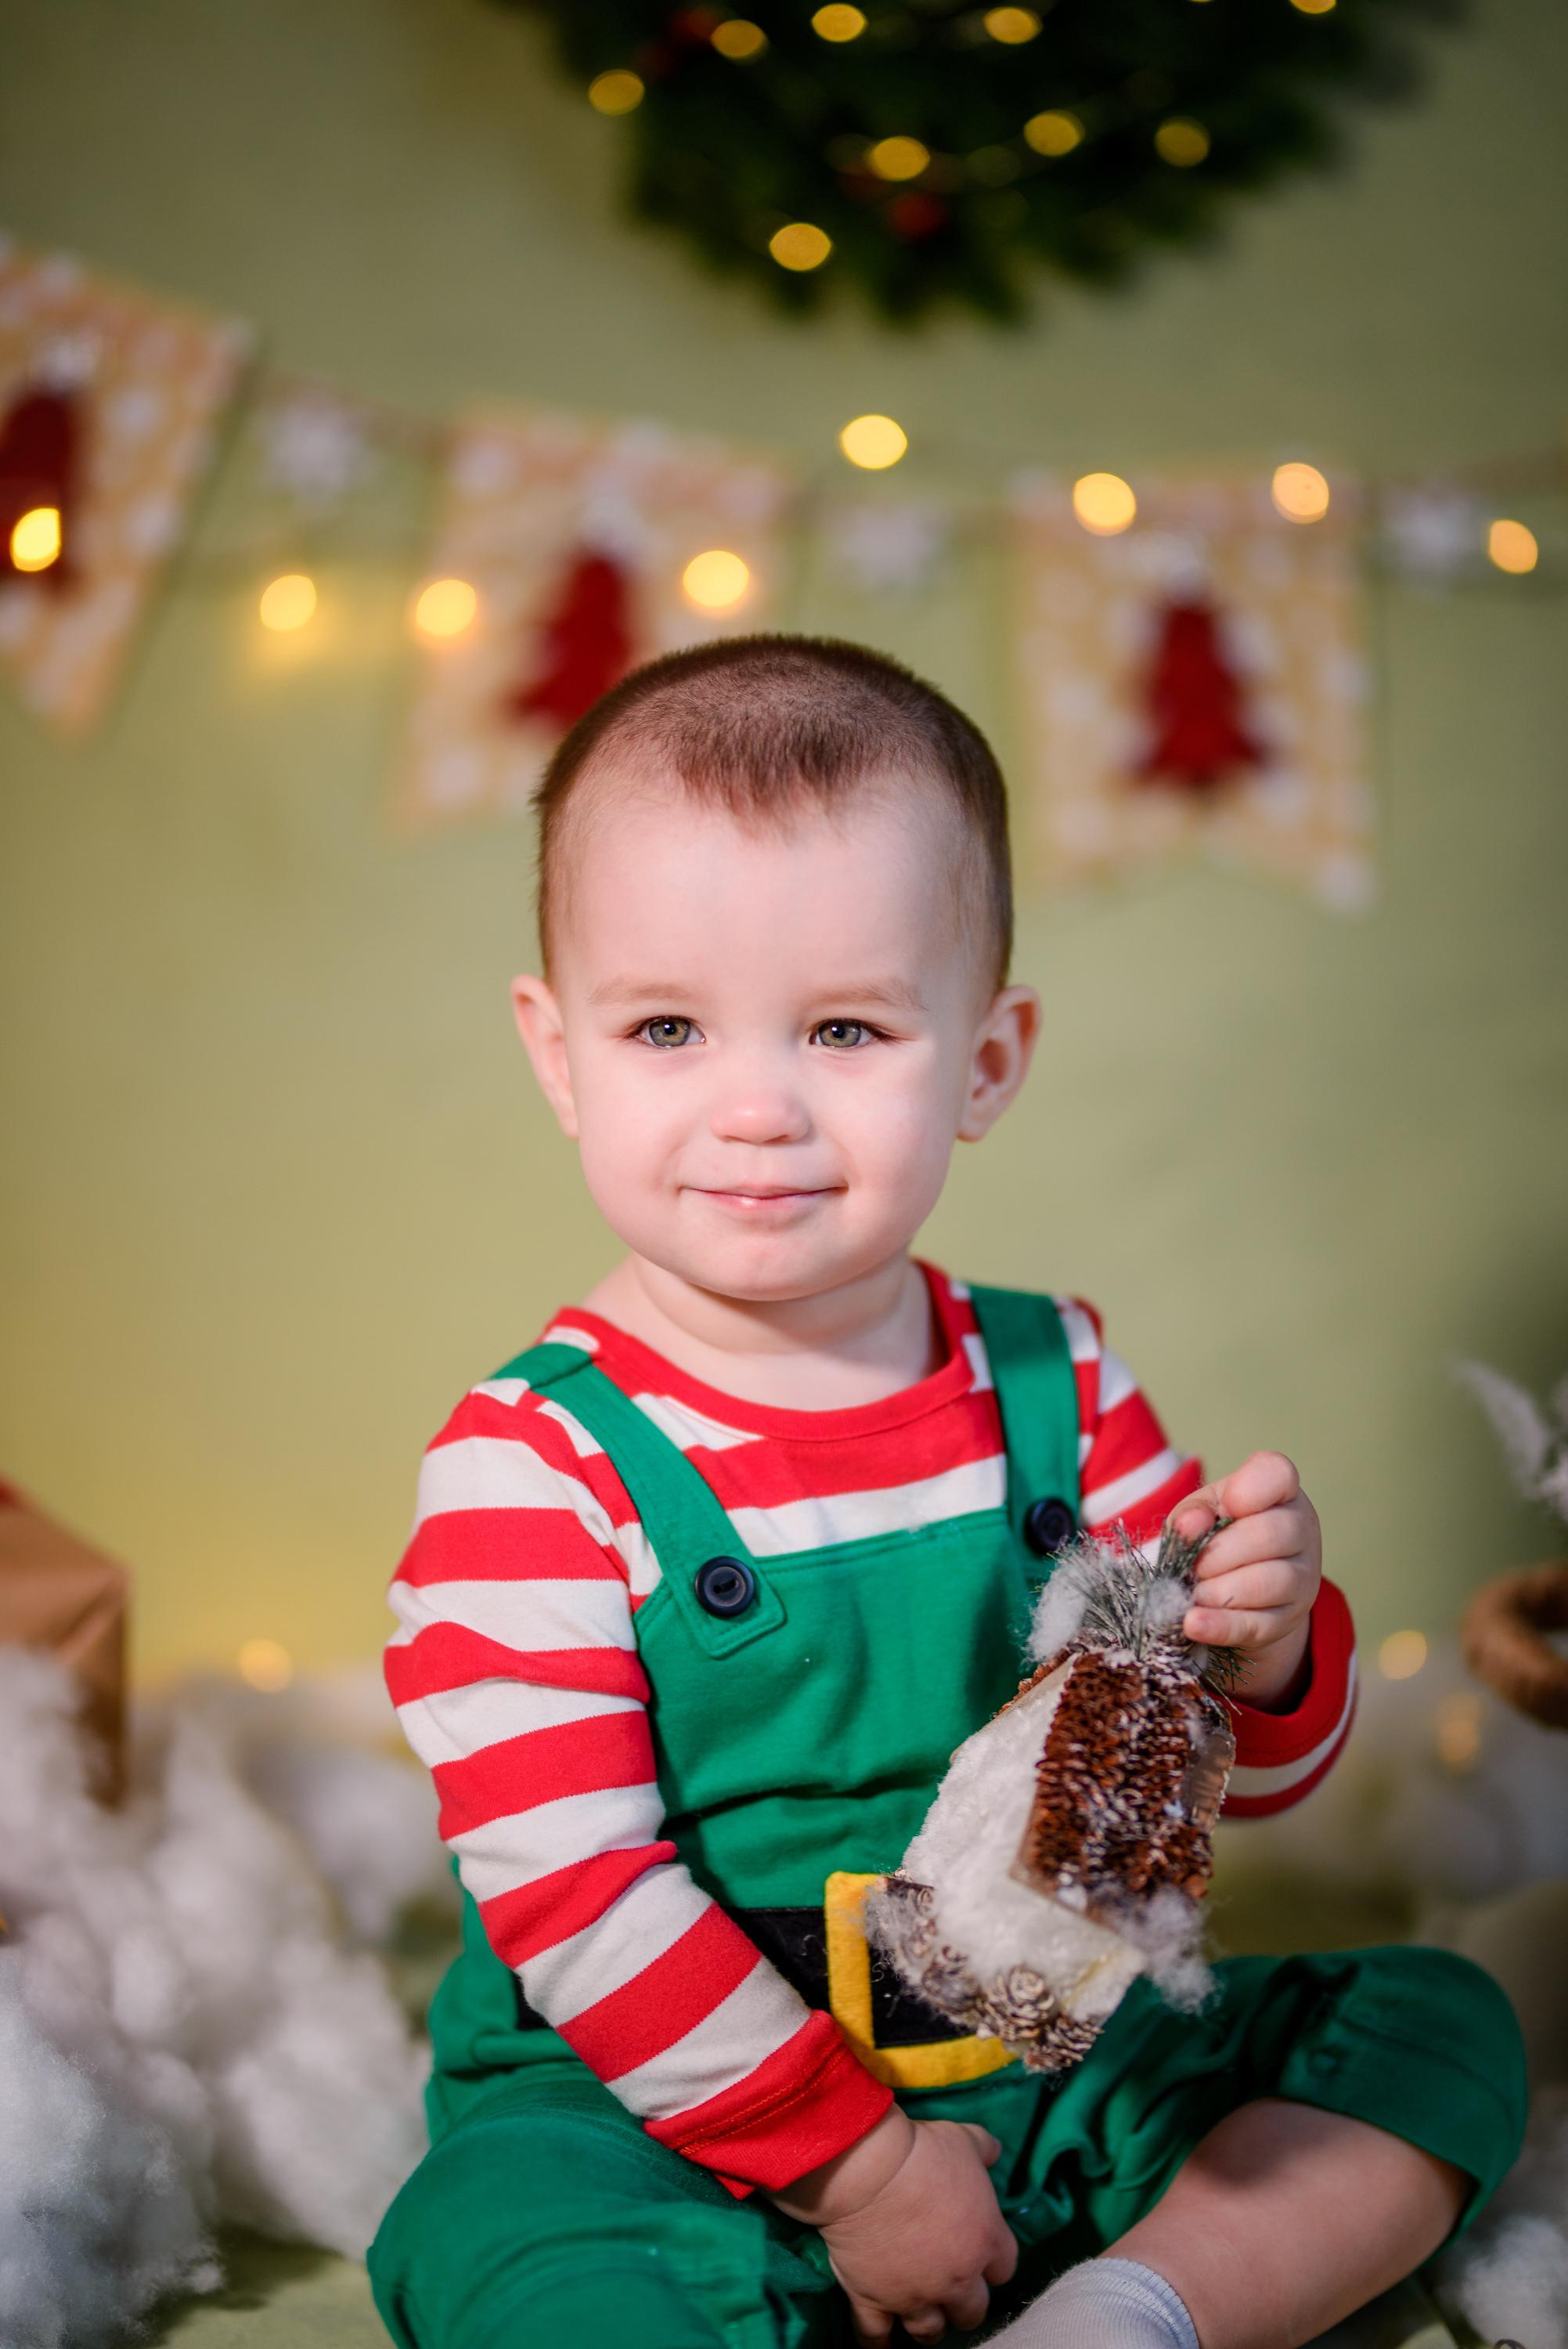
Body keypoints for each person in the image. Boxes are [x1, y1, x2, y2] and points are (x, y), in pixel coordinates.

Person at [369, 637, 1523, 2349]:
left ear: (985, 1060)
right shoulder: (529, 1470)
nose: (757, 1108)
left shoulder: (1058, 1385)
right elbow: (579, 1901)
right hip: (673, 2104)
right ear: (562, 1055)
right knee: (503, 2239)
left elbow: (1197, 1795)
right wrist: (859, 2177)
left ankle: (1132, 2312)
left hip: (1048, 2047)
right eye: (668, 1027)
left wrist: (1266, 1656)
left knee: (1442, 2027)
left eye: (845, 1027)